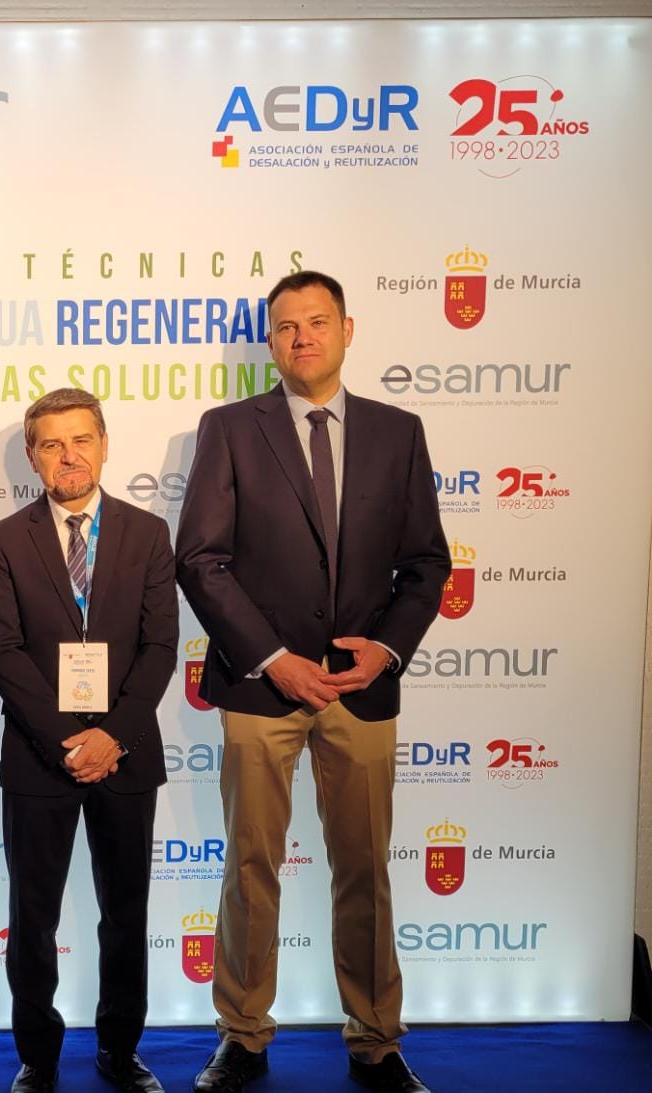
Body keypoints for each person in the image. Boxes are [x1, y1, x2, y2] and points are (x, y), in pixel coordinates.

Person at [175, 271, 450, 1093]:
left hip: (362, 691)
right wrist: (273, 657)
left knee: (364, 864)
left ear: (347, 329)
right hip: (262, 689)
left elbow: (427, 564)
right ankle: (244, 1034)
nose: (303, 337)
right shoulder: (228, 428)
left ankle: (375, 1038)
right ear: (272, 341)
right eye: (287, 326)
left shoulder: (398, 432)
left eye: (317, 322)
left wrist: (385, 651)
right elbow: (201, 559)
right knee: (251, 863)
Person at [0, 388, 177, 1093]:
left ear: (103, 442)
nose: (69, 455)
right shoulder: (3, 543)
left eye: (82, 438)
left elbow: (160, 645)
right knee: (33, 915)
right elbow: (3, 652)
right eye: (53, 443)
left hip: (126, 756)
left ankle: (120, 1051)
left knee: (126, 913)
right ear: (33, 456)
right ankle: (38, 1056)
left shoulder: (149, 534)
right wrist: (69, 740)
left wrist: (112, 735)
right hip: (40, 758)